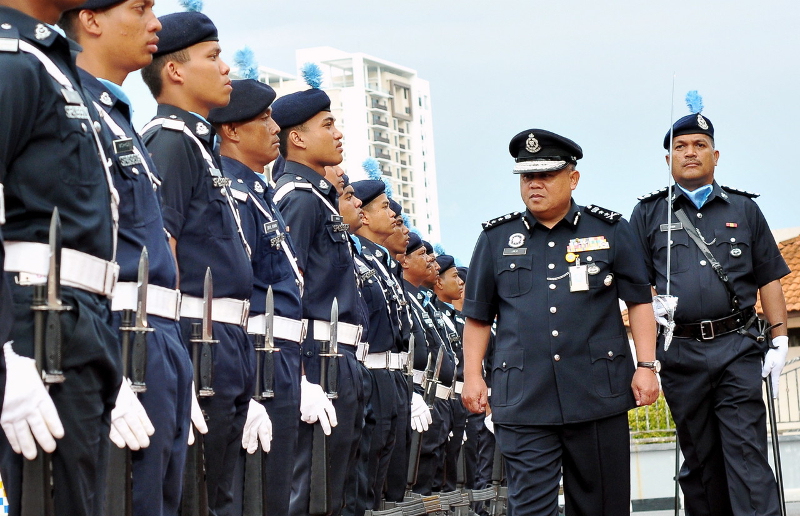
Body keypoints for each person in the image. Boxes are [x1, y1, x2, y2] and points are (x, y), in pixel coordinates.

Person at [461, 128, 659, 516]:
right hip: (524, 399)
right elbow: (478, 317)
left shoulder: (609, 230)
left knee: (603, 507)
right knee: (530, 509)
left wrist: (647, 365)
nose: (534, 184)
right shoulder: (496, 238)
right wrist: (472, 375)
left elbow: (639, 302)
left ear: (573, 178)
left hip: (596, 395)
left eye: (546, 175)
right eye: (527, 176)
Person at [58, 3, 199, 514]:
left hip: (157, 333)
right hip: (116, 329)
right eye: (140, 8)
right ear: (91, 19)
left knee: (160, 499)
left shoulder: (117, 117)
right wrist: (97, 363)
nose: (155, 23)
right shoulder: (67, 103)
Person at [0, 0, 136, 513]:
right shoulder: (11, 60)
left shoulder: (50, 63)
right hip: (34, 323)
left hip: (78, 321)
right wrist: (3, 357)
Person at [630, 107, 789, 516]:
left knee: (746, 453)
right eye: (680, 146)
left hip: (737, 346)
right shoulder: (648, 213)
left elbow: (770, 276)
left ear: (715, 156)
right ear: (668, 159)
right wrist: (646, 352)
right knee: (701, 459)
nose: (690, 152)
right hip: (681, 352)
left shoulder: (744, 209)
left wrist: (780, 338)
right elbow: (636, 290)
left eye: (700, 145)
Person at [140, 11, 256, 515]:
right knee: (199, 494)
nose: (226, 68)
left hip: (225, 338)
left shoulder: (196, 145)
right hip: (194, 333)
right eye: (213, 57)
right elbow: (160, 246)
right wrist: (173, 353)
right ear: (175, 71)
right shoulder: (170, 140)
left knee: (221, 493)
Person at [208, 78, 303, 515]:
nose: (274, 127)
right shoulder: (233, 193)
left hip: (278, 355)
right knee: (253, 495)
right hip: (257, 355)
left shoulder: (259, 193)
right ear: (231, 130)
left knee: (276, 493)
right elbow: (236, 288)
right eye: (264, 118)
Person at [271, 85, 365, 516]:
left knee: (336, 493)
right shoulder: (298, 199)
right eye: (327, 125)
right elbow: (287, 287)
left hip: (339, 356)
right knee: (312, 492)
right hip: (316, 356)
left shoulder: (318, 200)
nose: (338, 133)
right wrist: (302, 376)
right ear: (297, 138)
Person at [349, 179, 405, 513]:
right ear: (366, 216)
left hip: (392, 376)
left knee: (385, 476)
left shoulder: (382, 263)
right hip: (370, 370)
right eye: (385, 207)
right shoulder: (359, 259)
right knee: (366, 475)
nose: (394, 216)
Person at [402, 234, 455, 495]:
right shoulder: (405, 295)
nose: (432, 264)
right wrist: (411, 391)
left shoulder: (425, 303)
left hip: (438, 398)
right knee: (414, 479)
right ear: (404, 261)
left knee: (436, 477)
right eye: (424, 255)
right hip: (417, 391)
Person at [432, 254, 468, 492]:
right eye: (455, 277)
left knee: (451, 468)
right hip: (440, 394)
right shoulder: (435, 311)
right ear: (439, 282)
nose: (461, 284)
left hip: (455, 399)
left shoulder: (455, 318)